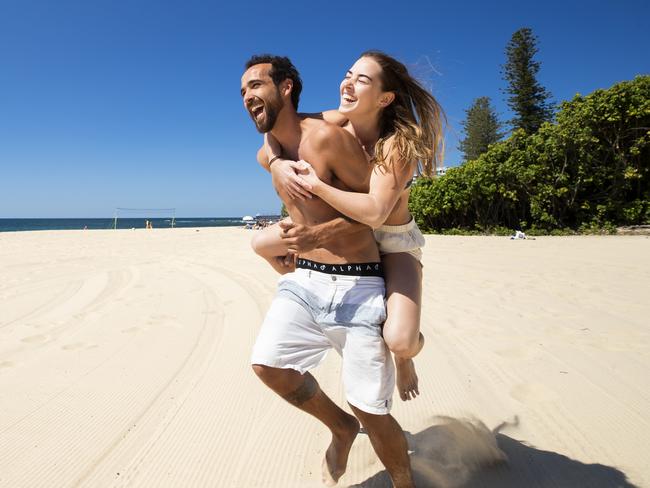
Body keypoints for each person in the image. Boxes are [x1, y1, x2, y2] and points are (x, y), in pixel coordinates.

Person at [242, 54, 414, 487]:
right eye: (243, 90)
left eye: (256, 86)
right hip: (306, 279)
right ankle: (340, 427)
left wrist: (320, 232)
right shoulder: (271, 154)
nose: (247, 96)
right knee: (268, 365)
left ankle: (404, 480)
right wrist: (278, 162)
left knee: (373, 406)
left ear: (285, 88)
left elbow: (379, 212)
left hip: (362, 278)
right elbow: (271, 147)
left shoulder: (332, 139)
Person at [252, 51, 445, 402]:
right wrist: (278, 162)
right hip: (346, 232)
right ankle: (304, 287)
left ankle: (405, 357)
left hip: (391, 239)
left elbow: (375, 213)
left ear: (385, 98)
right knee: (261, 244)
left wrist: (318, 186)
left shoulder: (396, 144)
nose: (348, 83)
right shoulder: (336, 121)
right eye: (348, 74)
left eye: (362, 80)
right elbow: (279, 125)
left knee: (399, 339)